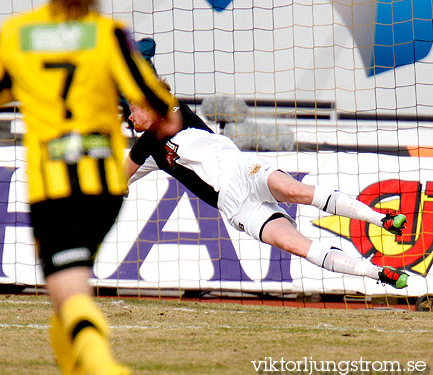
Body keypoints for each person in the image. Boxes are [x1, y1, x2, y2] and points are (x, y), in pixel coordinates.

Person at [0, 1, 177, 374]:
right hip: (105, 187)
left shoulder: (17, 32)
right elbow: (157, 98)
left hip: (54, 189)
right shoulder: (108, 31)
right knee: (69, 290)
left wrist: (30, 84)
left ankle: (105, 368)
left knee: (69, 291)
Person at [124, 96, 410, 290]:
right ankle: (378, 273)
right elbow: (121, 177)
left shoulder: (174, 113)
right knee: (297, 246)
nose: (129, 115)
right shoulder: (150, 155)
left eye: (133, 108)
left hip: (243, 169)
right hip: (234, 205)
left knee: (293, 190)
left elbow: (135, 155)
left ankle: (382, 218)